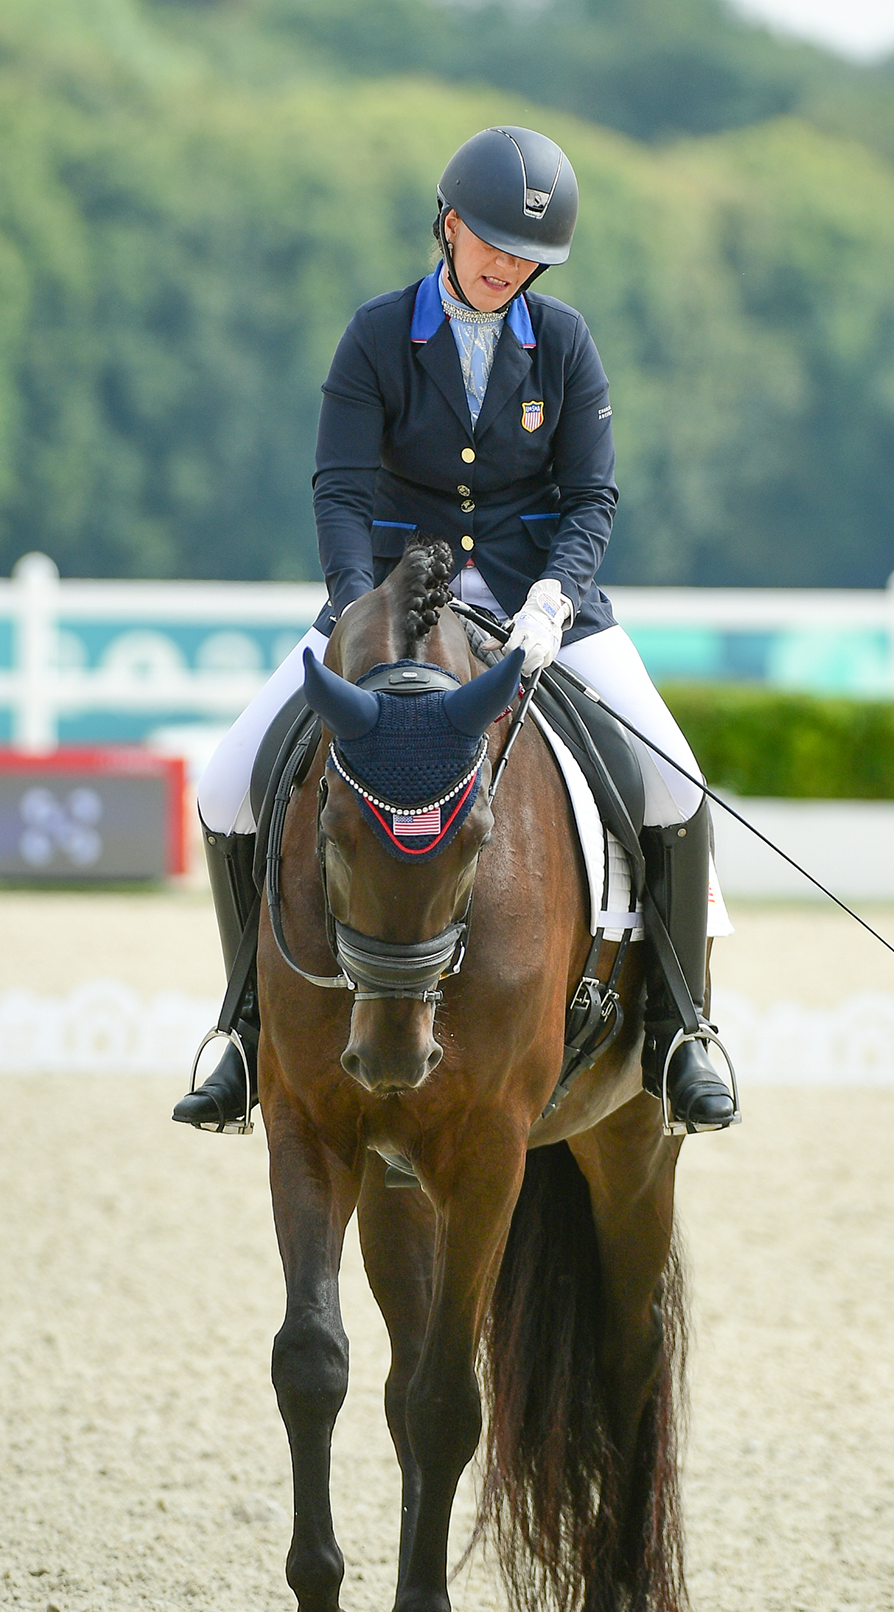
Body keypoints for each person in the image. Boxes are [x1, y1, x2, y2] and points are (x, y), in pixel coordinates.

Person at [174, 126, 734, 1134]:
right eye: (490, 244)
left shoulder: (562, 343)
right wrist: (354, 608)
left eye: (527, 257)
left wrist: (556, 602)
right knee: (225, 786)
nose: (505, 266)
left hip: (538, 602)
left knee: (674, 784)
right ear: (448, 224)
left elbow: (591, 495)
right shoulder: (379, 336)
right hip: (392, 598)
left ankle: (681, 1028)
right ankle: (246, 1033)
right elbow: (341, 487)